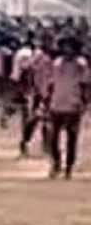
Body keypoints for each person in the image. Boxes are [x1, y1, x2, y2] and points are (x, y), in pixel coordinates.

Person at [44, 36, 90, 180]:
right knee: (53, 137)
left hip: (73, 104)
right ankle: (56, 163)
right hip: (56, 103)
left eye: (69, 46)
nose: (66, 49)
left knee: (71, 138)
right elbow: (51, 83)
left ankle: (69, 166)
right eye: (64, 46)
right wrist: (46, 100)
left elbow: (85, 85)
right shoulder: (56, 63)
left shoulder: (81, 64)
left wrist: (84, 102)